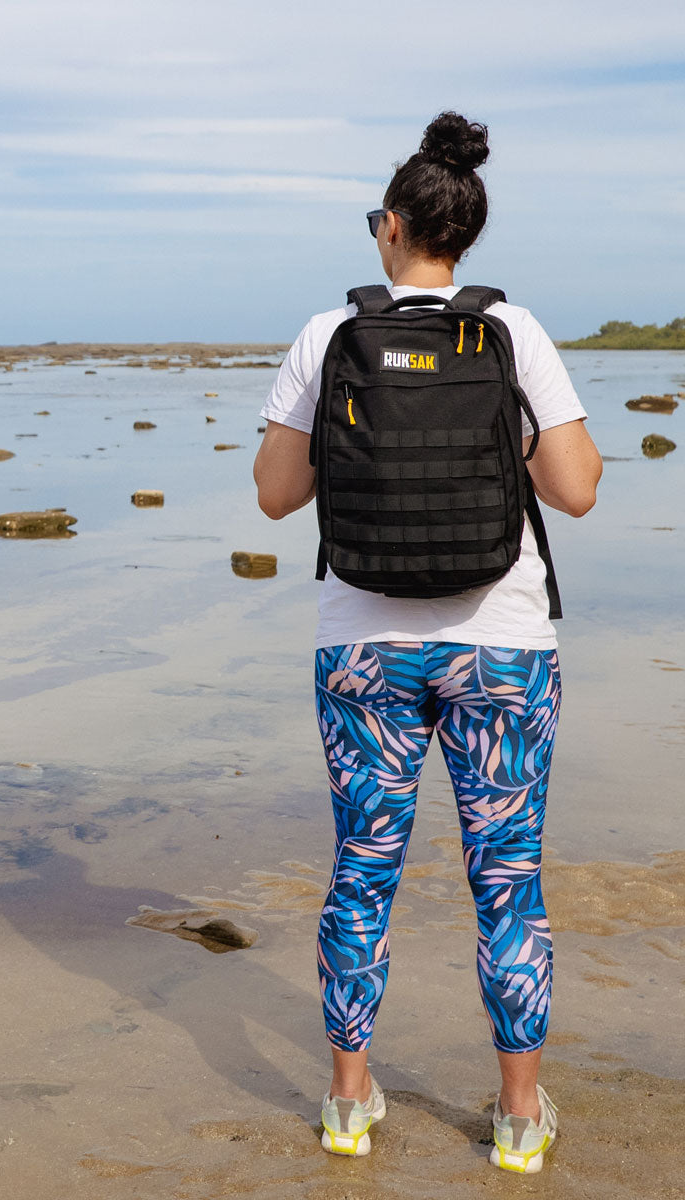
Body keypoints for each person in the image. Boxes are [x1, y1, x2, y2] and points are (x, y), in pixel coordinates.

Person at [252, 112, 602, 1174]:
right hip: (503, 647)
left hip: (362, 648)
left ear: (393, 227)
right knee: (509, 878)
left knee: (365, 870)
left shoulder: (328, 336)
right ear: (463, 238)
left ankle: (350, 1102)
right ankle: (517, 1115)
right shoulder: (512, 334)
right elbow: (577, 492)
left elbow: (275, 498)